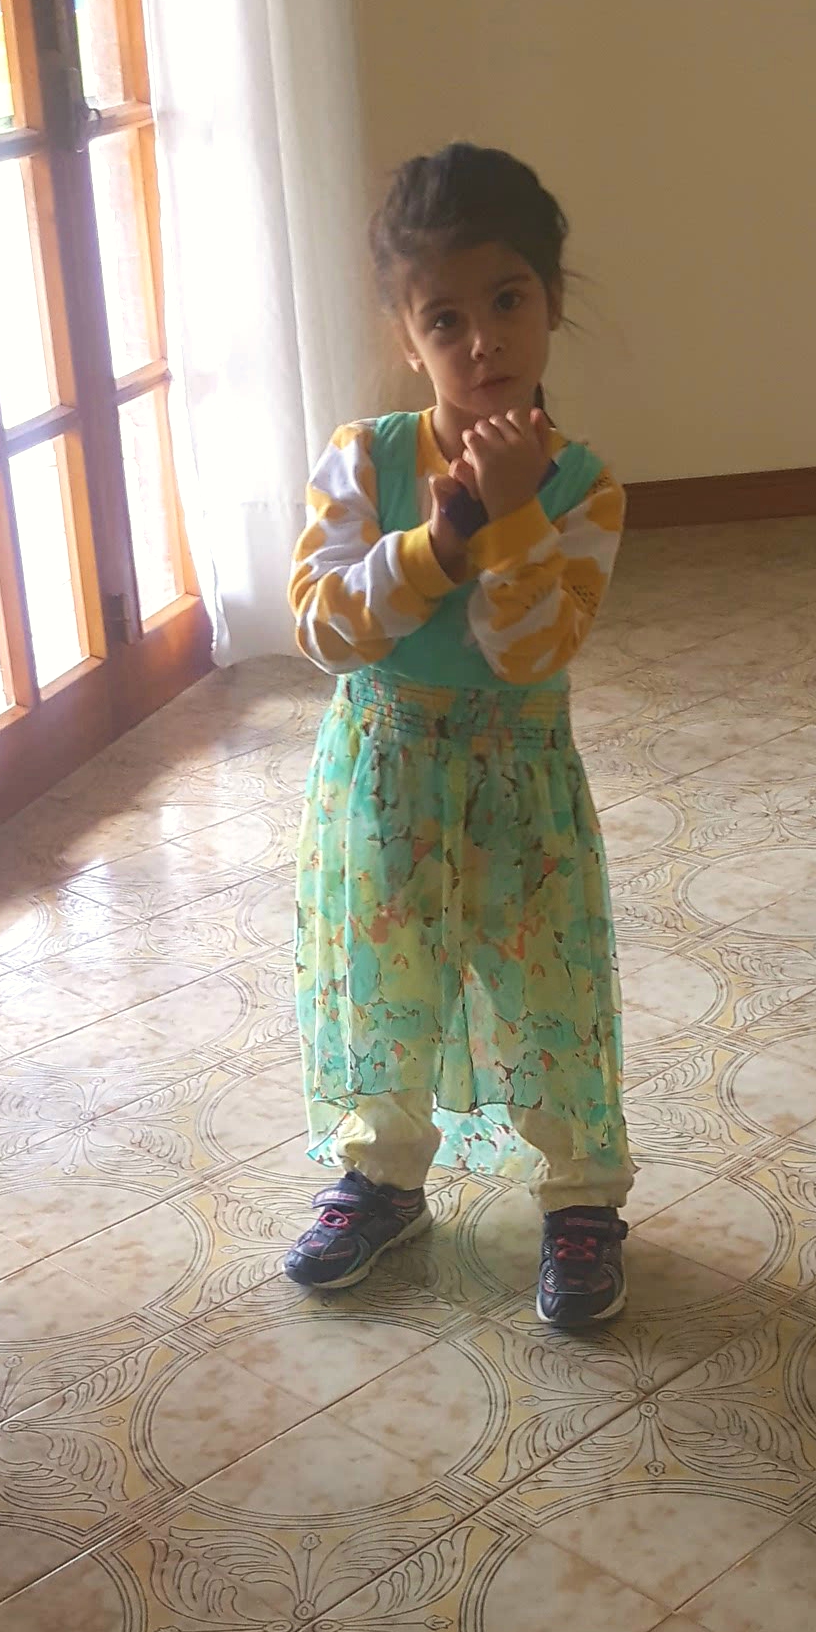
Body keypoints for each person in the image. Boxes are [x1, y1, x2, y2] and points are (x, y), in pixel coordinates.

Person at [284, 141, 633, 1328]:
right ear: (406, 333)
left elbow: (530, 648)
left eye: (507, 300)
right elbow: (322, 628)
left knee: (544, 988)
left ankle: (579, 1193)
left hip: (515, 789)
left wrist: (511, 516)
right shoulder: (362, 459)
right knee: (391, 980)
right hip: (384, 777)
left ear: (550, 299)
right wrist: (433, 546)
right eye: (444, 318)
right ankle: (380, 1176)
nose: (481, 341)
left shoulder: (582, 488)